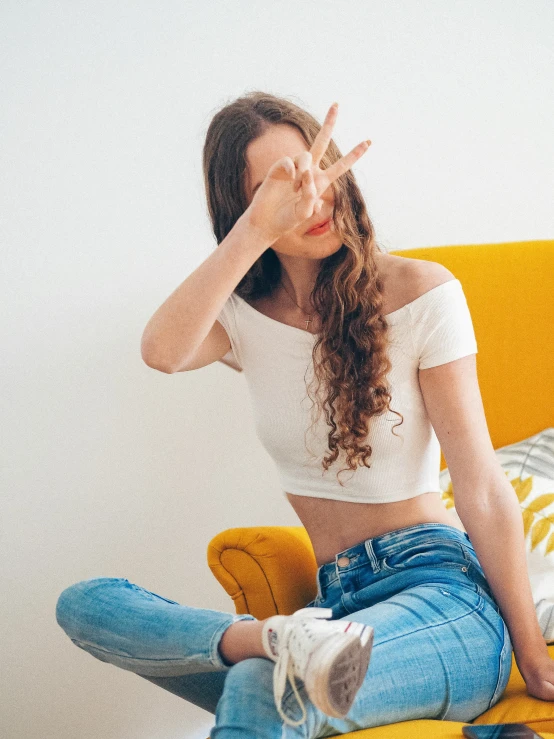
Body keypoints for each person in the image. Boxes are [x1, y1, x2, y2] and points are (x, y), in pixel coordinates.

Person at [55, 93, 513, 737]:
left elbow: (482, 486)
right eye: (282, 184)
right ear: (245, 207)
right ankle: (269, 641)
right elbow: (161, 351)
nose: (313, 195)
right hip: (325, 615)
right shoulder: (245, 318)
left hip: (445, 598)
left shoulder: (422, 293)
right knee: (86, 604)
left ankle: (275, 653)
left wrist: (532, 654)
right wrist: (256, 232)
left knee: (266, 686)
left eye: (316, 169)